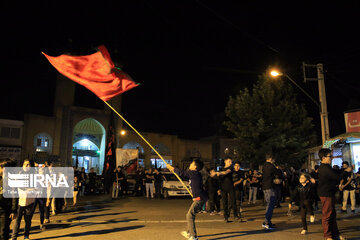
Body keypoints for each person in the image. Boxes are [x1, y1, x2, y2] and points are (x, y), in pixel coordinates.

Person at [166, 159, 208, 240]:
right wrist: (174, 171)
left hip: (200, 198)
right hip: (200, 198)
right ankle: (189, 232)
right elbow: (183, 175)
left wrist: (171, 168)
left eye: (192, 163)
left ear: (195, 167)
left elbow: (182, 173)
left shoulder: (194, 173)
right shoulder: (195, 174)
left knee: (189, 215)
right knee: (192, 215)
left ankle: (194, 236)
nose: (190, 164)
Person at [317, 148, 346, 240]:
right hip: (326, 194)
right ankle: (328, 236)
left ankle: (335, 234)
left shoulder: (327, 167)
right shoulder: (324, 168)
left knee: (332, 214)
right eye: (330, 156)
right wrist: (345, 172)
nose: (331, 158)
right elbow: (336, 177)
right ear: (323, 157)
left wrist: (343, 169)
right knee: (327, 215)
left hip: (329, 193)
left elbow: (335, 172)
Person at [11, 159, 36, 240]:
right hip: (19, 201)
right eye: (25, 164)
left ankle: (26, 236)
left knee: (27, 220)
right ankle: (14, 237)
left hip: (30, 201)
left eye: (28, 164)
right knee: (17, 220)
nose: (26, 166)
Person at [216, 157, 240, 222]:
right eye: (229, 161)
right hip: (223, 187)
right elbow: (219, 180)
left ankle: (235, 215)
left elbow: (226, 172)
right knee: (224, 202)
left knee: (233, 201)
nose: (230, 163)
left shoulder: (231, 168)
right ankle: (226, 217)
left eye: (231, 161)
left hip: (230, 187)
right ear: (225, 161)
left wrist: (219, 173)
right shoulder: (221, 169)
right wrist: (219, 189)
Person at [0, 158, 17, 240]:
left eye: (3, 167)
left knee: (3, 232)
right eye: (1, 167)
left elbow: (14, 195)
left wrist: (13, 210)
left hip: (5, 211)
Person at [261, 153, 277, 230]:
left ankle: (267, 221)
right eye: (273, 159)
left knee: (268, 204)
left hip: (264, 186)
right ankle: (267, 222)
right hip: (270, 186)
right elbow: (277, 172)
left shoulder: (264, 166)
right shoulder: (271, 166)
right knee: (271, 204)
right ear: (271, 159)